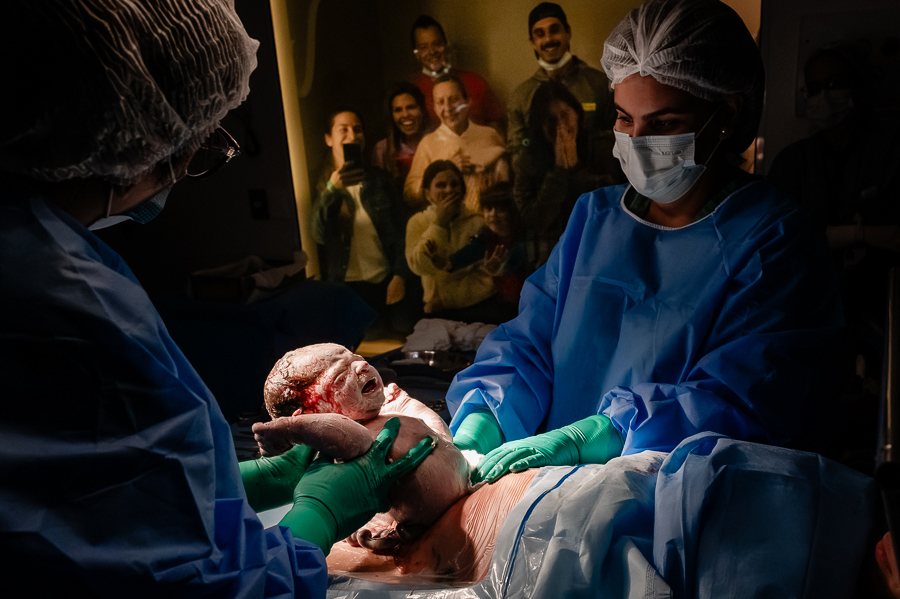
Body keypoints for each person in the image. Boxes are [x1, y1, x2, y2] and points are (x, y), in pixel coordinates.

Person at [0, 2, 433, 596]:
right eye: (197, 142)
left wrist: (250, 479)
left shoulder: (43, 250)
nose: (189, 162)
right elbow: (206, 584)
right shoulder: (68, 304)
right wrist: (321, 516)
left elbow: (112, 487)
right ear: (134, 133)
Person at [446, 0, 844, 484]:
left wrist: (602, 433)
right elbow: (529, 344)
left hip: (682, 512)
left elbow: (744, 398)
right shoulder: (594, 219)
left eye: (665, 124)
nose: (637, 140)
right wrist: (481, 423)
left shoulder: (771, 239)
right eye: (624, 118)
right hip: (554, 500)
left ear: (727, 115)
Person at [768, 43, 900, 390]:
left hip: (877, 308)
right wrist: (860, 234)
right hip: (809, 314)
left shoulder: (889, 151)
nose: (823, 97)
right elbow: (777, 240)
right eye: (814, 88)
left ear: (857, 85)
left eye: (834, 84)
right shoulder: (794, 162)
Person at [311, 108, 412, 336]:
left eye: (357, 129)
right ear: (329, 139)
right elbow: (317, 234)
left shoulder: (379, 181)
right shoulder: (322, 186)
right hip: (347, 290)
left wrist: (400, 275)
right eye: (343, 129)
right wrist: (331, 190)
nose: (352, 135)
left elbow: (402, 232)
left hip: (385, 283)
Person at [514, 80, 624, 269]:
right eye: (550, 120)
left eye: (564, 115)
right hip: (551, 259)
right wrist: (558, 173)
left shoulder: (602, 145)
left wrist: (575, 168)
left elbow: (611, 203)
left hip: (600, 251)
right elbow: (534, 220)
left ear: (577, 114)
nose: (560, 126)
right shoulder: (527, 160)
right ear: (539, 124)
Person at [506, 2, 616, 160]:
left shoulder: (600, 84)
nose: (548, 39)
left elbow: (618, 139)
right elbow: (516, 151)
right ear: (532, 42)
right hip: (543, 183)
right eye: (540, 34)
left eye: (554, 30)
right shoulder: (521, 96)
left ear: (568, 33)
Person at [404, 75, 508, 214]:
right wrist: (446, 171)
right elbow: (409, 194)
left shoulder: (489, 135)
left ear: (467, 101)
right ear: (434, 108)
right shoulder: (428, 144)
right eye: (441, 102)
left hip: (490, 219)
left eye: (454, 100)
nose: (448, 108)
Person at [406, 161, 496, 320]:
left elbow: (485, 276)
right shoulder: (418, 222)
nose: (449, 190)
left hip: (476, 308)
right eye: (441, 185)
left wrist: (447, 299)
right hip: (435, 311)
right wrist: (439, 224)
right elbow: (419, 266)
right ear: (428, 194)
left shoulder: (477, 223)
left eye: (454, 184)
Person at [429, 183, 529, 323]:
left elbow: (517, 260)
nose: (493, 214)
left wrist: (499, 269)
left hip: (527, 304)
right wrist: (447, 262)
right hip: (504, 301)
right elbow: (469, 252)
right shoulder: (487, 235)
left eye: (500, 209)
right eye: (488, 208)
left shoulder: (523, 237)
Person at [409, 15, 505, 134]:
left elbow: (496, 124)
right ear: (416, 53)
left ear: (446, 45)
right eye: (424, 47)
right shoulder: (411, 91)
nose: (432, 52)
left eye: (437, 44)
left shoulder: (475, 81)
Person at [371, 82, 431, 193]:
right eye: (398, 110)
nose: (405, 115)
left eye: (411, 107)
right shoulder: (382, 149)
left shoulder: (436, 143)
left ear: (422, 109)